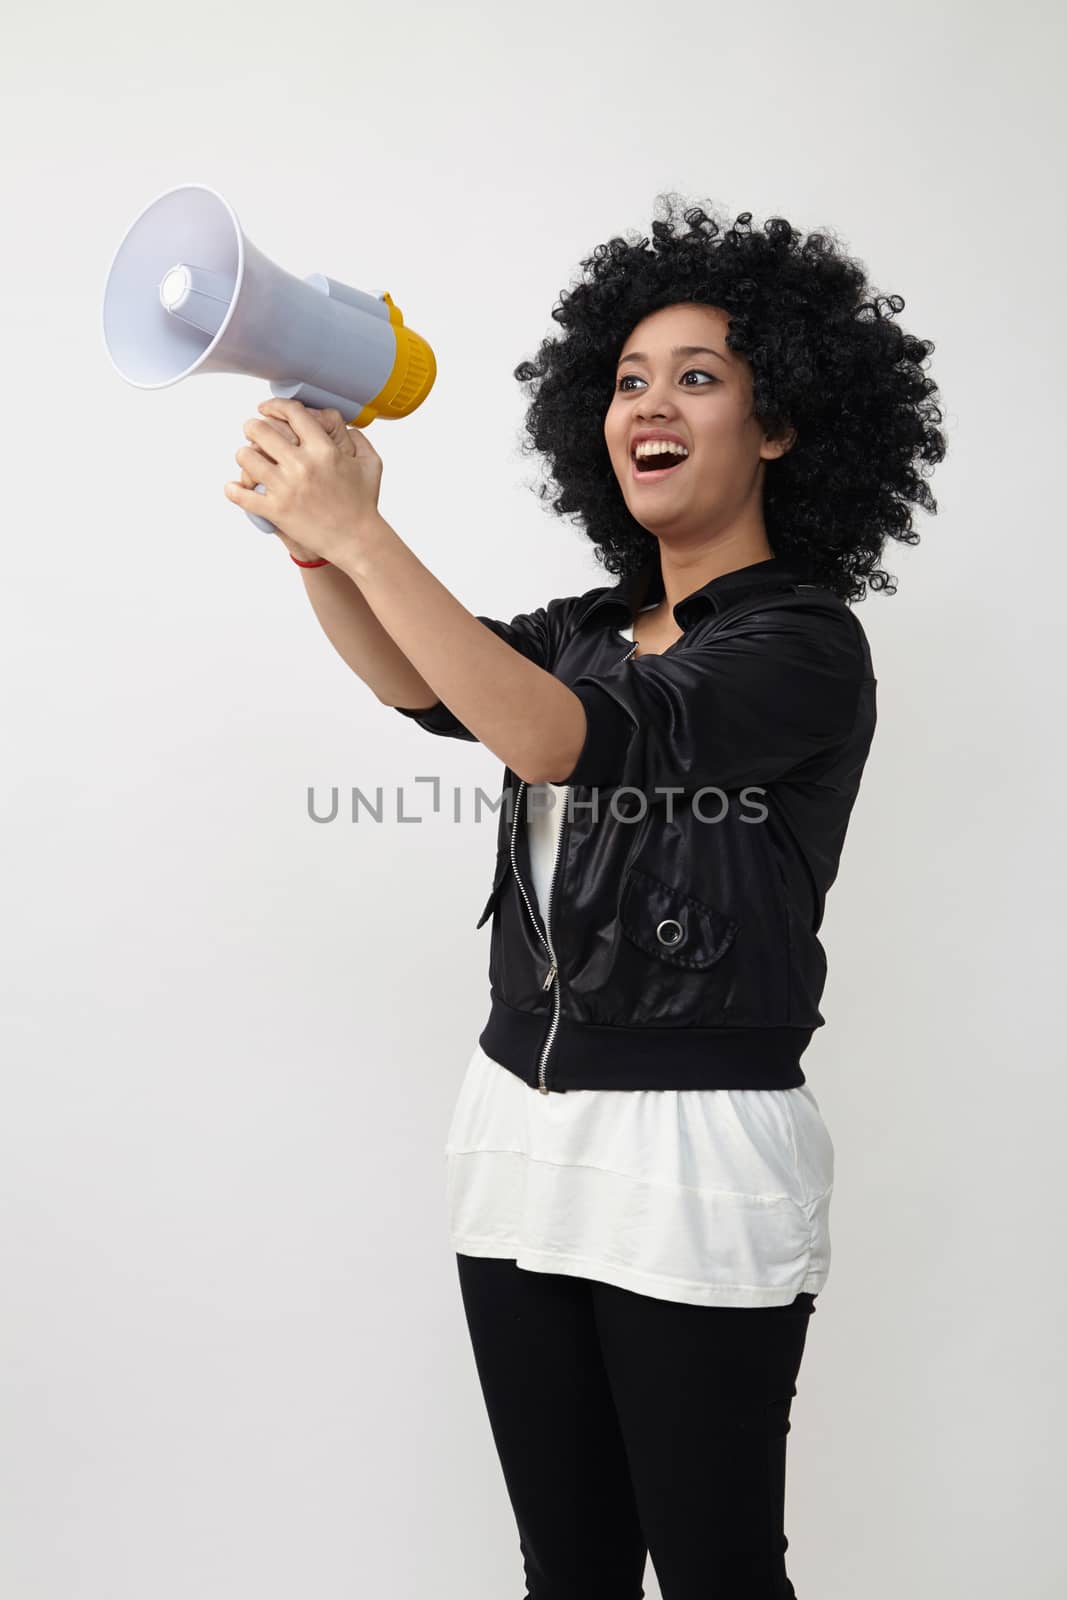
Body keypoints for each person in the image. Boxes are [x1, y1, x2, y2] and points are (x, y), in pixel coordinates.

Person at [228, 197, 947, 1599]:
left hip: (696, 1154)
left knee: (719, 1569)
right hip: (517, 1125)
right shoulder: (590, 628)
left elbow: (561, 740)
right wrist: (316, 540)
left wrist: (368, 532)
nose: (648, 406)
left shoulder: (806, 644)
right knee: (567, 1569)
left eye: (697, 376)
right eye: (626, 380)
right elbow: (427, 683)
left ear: (783, 423)